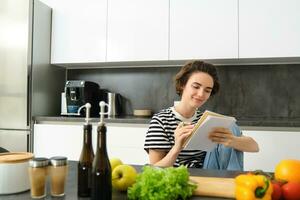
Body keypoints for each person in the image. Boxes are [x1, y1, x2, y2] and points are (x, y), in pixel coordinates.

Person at [144, 60, 259, 170]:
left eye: (207, 90)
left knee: (231, 127)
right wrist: (177, 147)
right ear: (183, 84)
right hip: (179, 176)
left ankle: (230, 182)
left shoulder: (206, 119)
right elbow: (154, 169)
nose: (201, 94)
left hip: (208, 172)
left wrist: (231, 140)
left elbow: (254, 147)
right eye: (196, 86)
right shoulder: (161, 120)